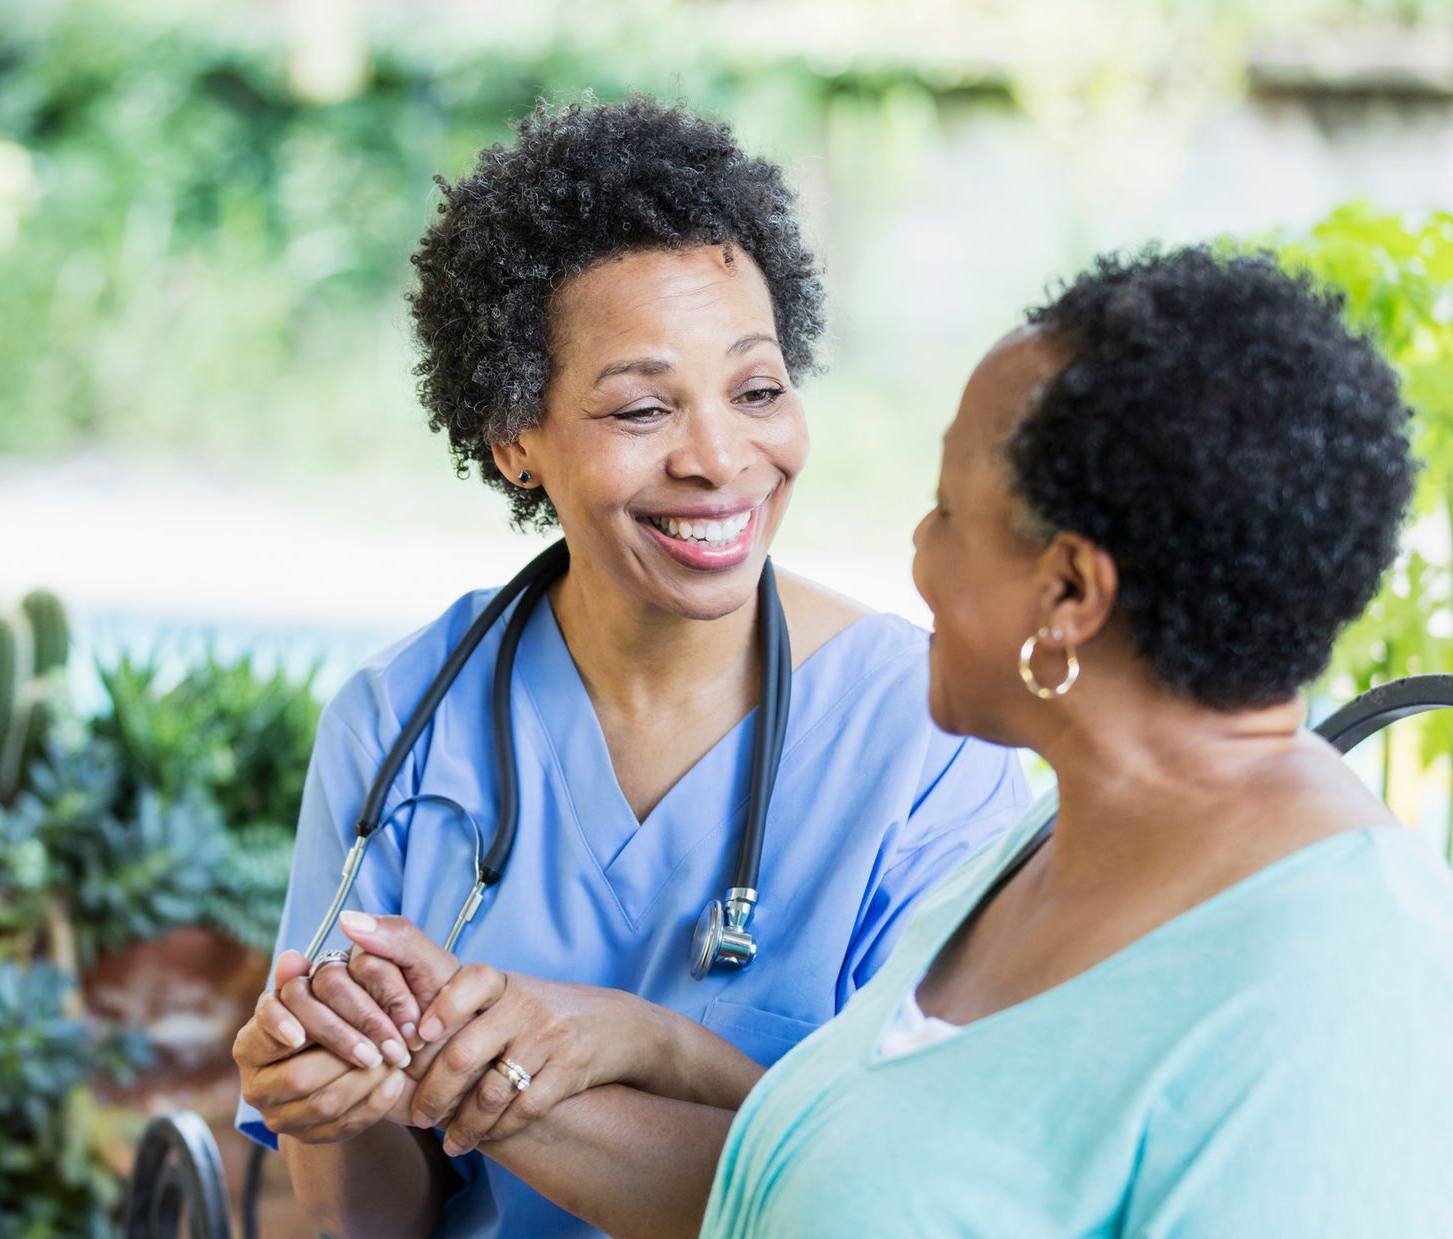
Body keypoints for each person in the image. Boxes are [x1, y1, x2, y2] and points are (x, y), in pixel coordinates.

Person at [232, 96, 1029, 1237]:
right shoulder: (401, 723)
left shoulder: (931, 734)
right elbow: (368, 1225)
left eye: (757, 390)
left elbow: (915, 1194)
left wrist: (636, 1046)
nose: (718, 459)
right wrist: (332, 1097)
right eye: (643, 407)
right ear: (514, 437)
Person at [702, 246, 1453, 1235]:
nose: (918, 553)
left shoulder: (1337, 996)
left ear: (1068, 592)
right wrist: (619, 1056)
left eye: (948, 513)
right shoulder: (1066, 833)